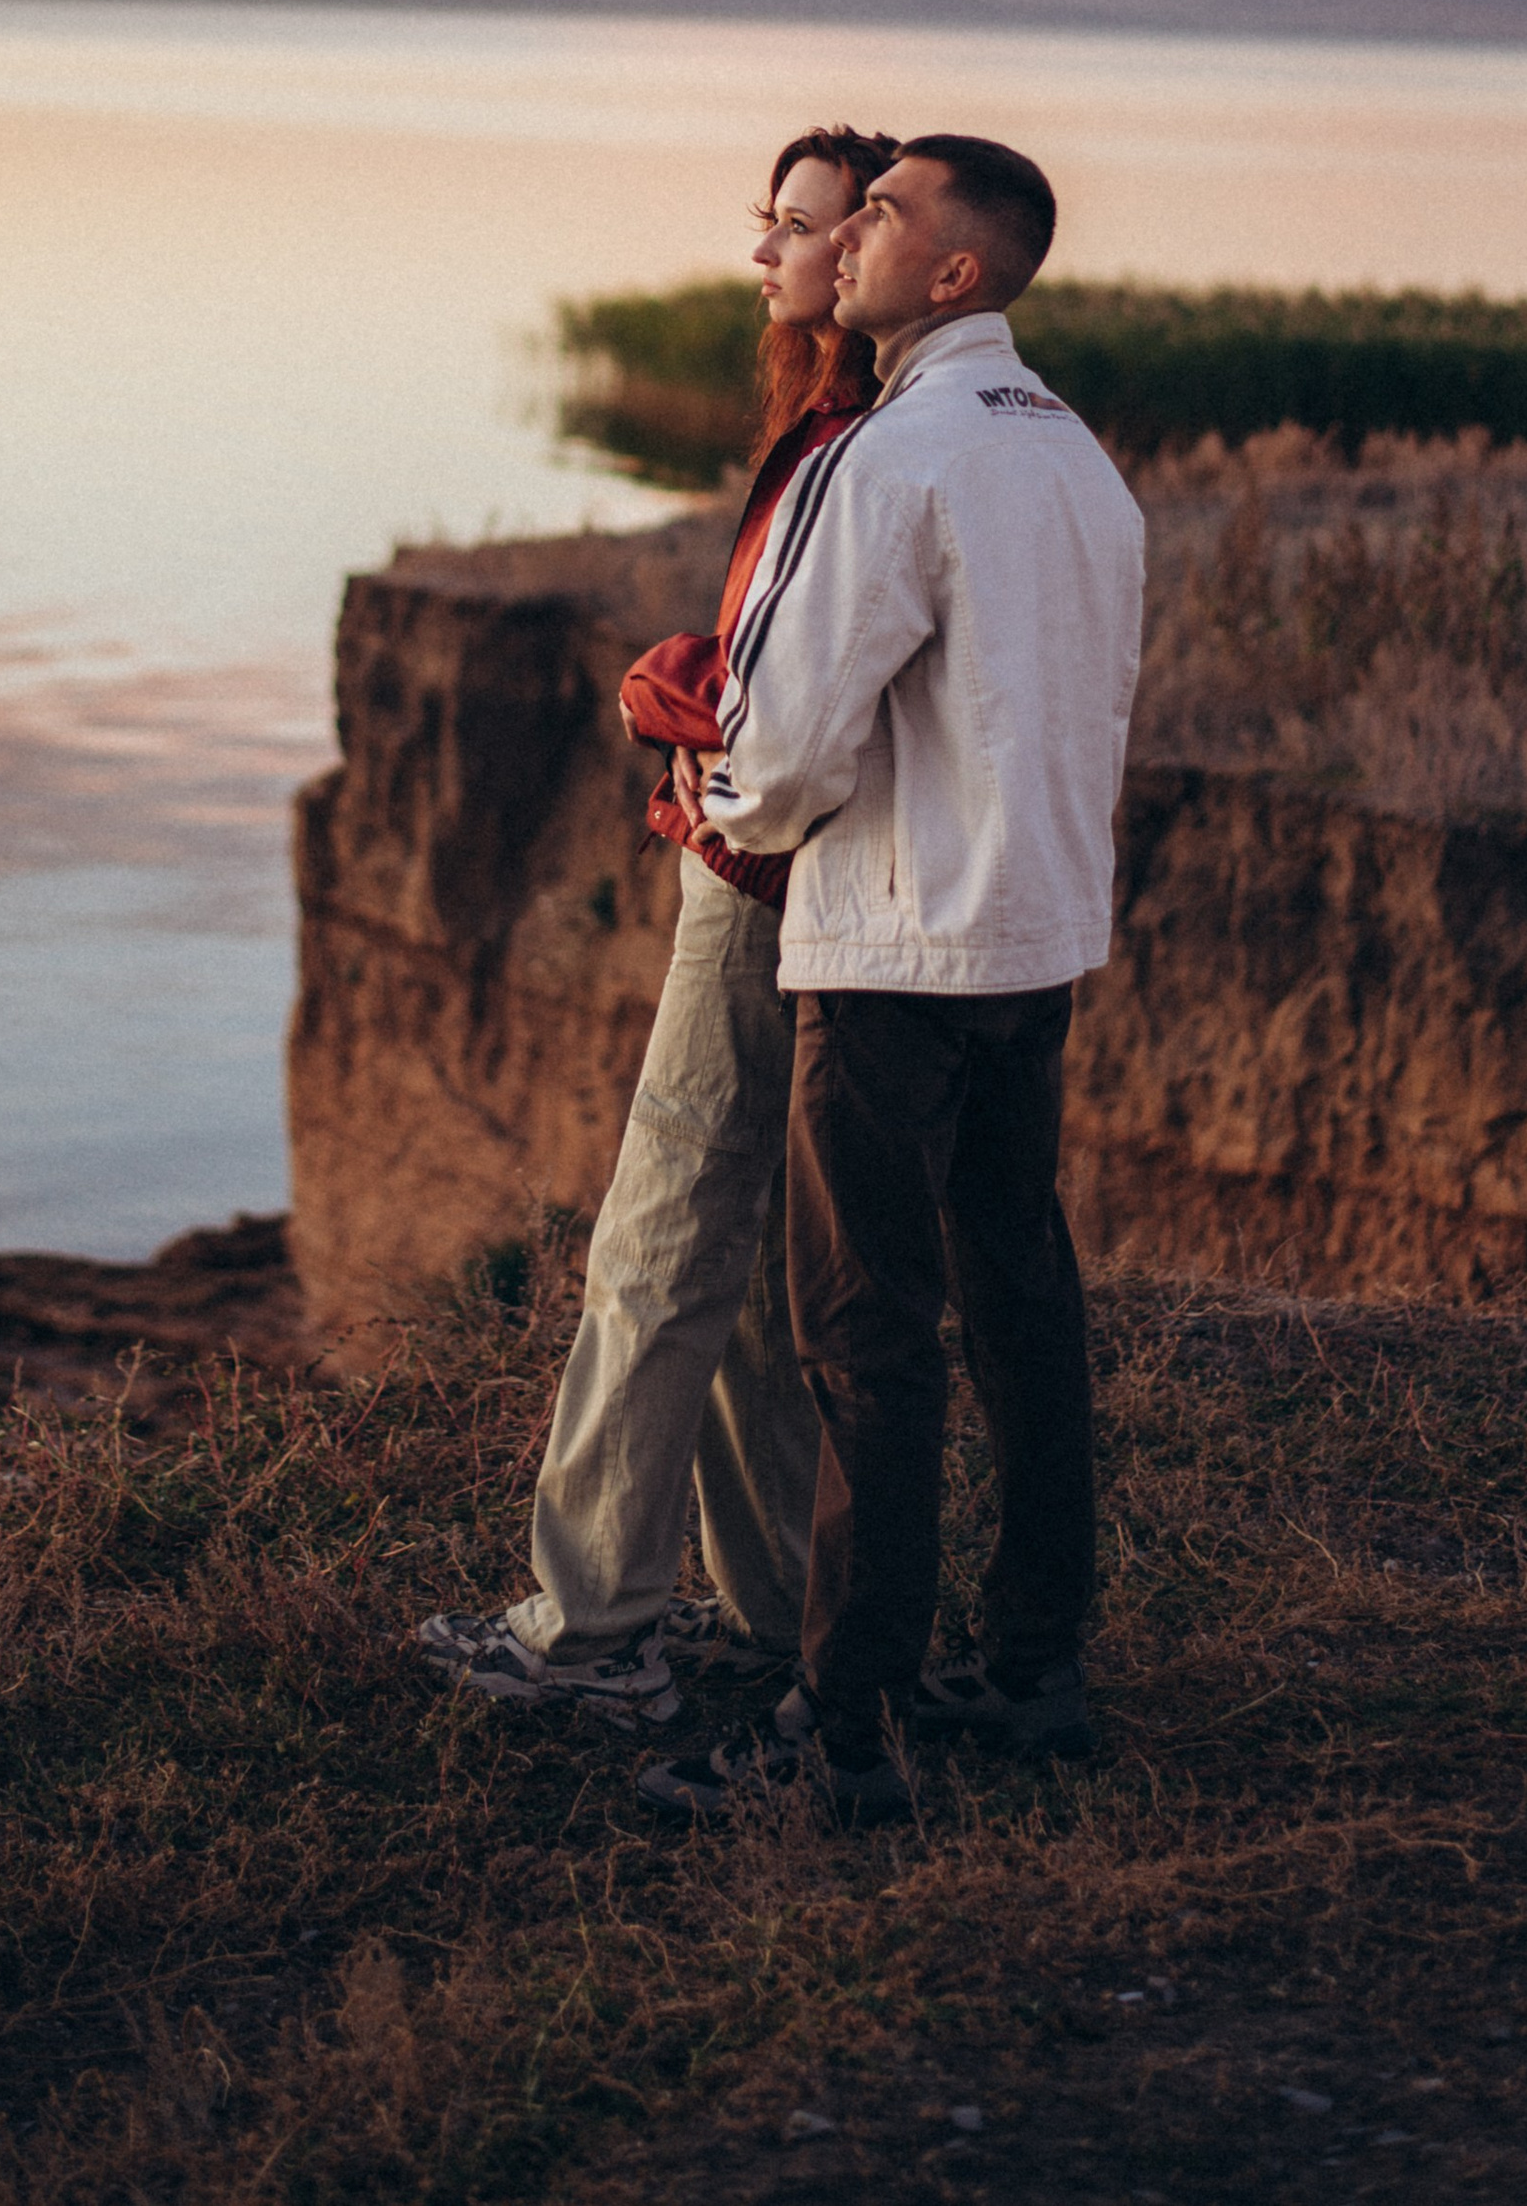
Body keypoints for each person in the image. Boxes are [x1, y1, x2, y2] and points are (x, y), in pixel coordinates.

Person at [636, 135, 1147, 1827]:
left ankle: (840, 1732)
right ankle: (1036, 1676)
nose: (845, 230)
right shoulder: (1078, 457)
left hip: (891, 956)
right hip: (1035, 945)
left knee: (868, 1340)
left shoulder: (892, 455)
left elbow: (777, 746)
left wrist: (694, 785)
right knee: (1023, 1306)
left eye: (884, 209)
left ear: (951, 275)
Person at [414, 123, 903, 1724]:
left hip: (758, 881)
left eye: (801, 225)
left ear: (876, 250)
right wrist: (702, 690)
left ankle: (589, 1634)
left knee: (656, 1244)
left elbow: (815, 713)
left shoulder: (861, 442)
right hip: (784, 869)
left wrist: (700, 737)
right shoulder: (844, 424)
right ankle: (766, 1615)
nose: (766, 251)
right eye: (768, 220)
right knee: (746, 1273)